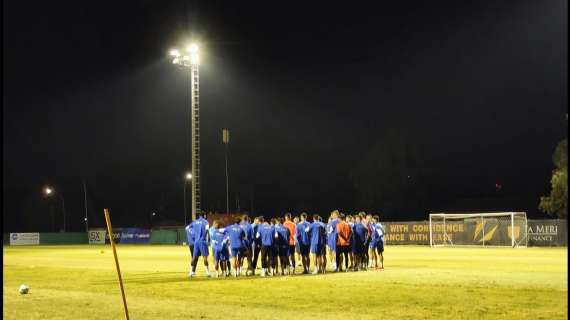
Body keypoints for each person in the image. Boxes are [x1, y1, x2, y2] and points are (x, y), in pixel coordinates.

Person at [189, 213, 211, 278]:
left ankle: (191, 272)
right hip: (202, 241)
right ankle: (207, 272)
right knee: (205, 257)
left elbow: (188, 228)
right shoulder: (205, 222)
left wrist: (194, 235)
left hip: (196, 242)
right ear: (204, 215)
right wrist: (204, 237)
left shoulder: (194, 222)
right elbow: (207, 230)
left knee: (194, 257)